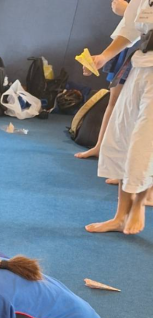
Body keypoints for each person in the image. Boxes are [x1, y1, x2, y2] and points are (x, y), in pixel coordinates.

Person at [85, 0, 153, 235]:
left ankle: (139, 203)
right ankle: (120, 216)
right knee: (122, 133)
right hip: (141, 65)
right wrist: (104, 57)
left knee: (145, 140)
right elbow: (130, 27)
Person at [75, 0, 132, 160]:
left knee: (140, 109)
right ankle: (100, 146)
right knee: (113, 101)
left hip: (145, 53)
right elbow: (129, 30)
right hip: (129, 47)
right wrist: (103, 57)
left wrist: (128, 10)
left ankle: (127, 159)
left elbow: (142, 22)